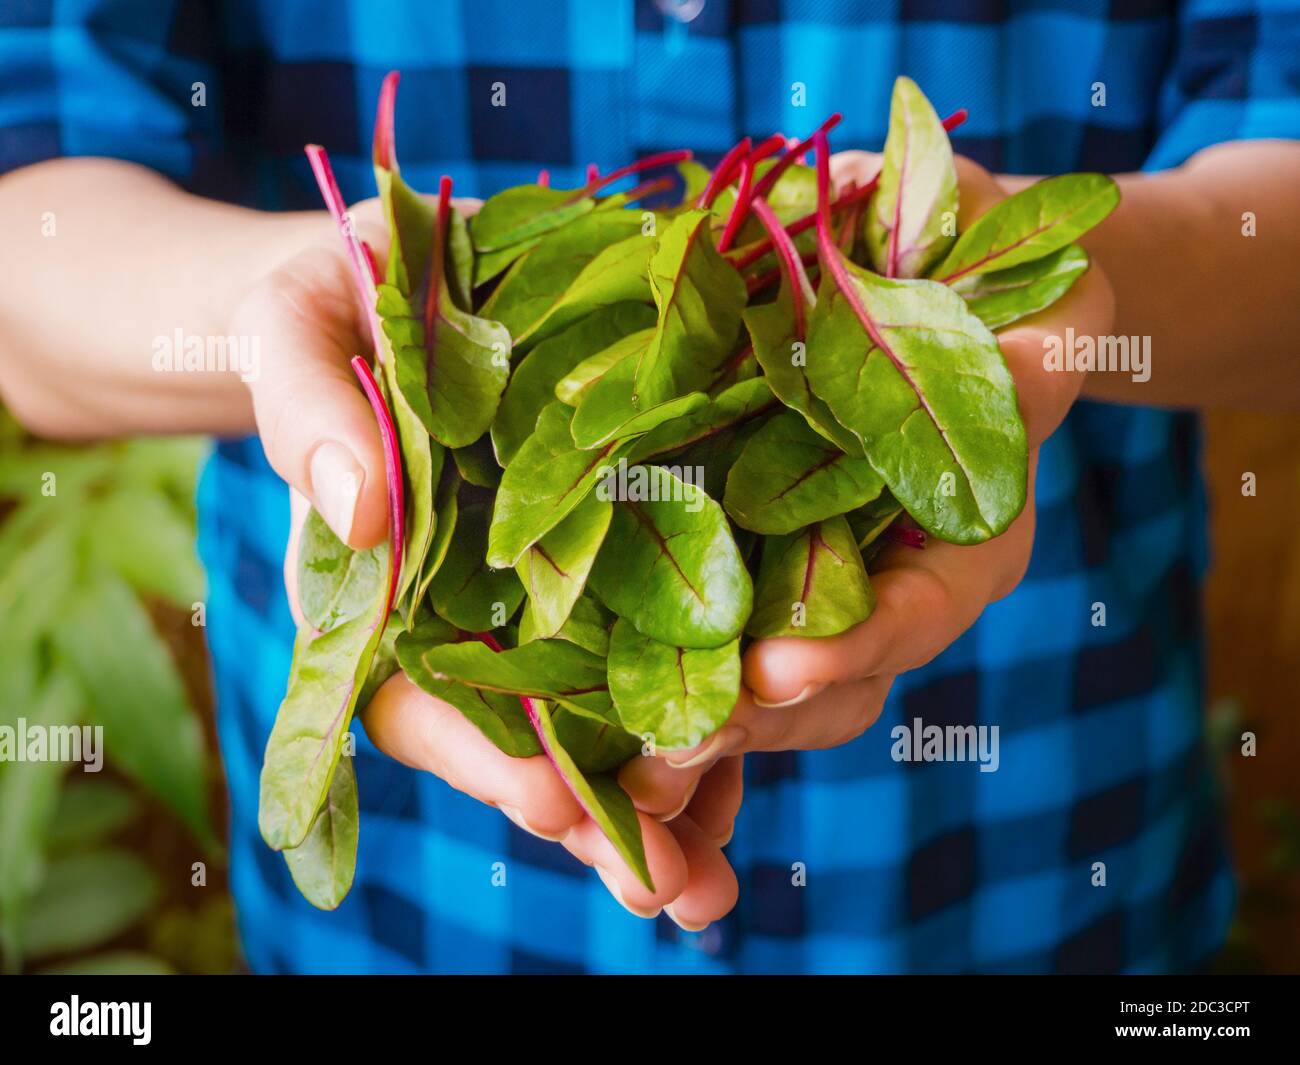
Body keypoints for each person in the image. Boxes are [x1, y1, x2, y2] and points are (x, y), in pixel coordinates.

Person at [1, 0, 1297, 974]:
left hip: (1037, 874)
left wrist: (1010, 264)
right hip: (419, 916)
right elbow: (29, 256)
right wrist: (333, 312)